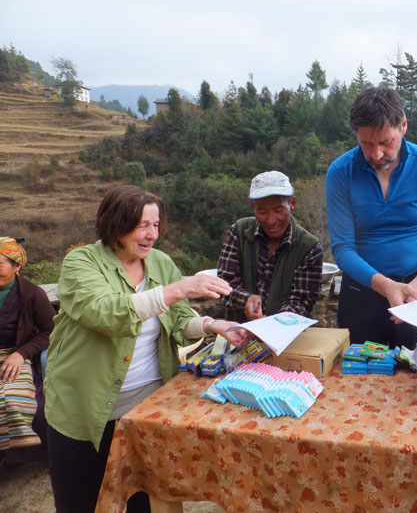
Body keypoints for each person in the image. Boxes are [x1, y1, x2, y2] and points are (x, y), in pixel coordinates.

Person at [44, 185, 249, 513]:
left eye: (156, 225)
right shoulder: (81, 262)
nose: (152, 234)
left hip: (145, 413)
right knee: (81, 502)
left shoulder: (161, 264)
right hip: (82, 412)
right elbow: (105, 313)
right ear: (116, 223)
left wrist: (214, 326)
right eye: (142, 225)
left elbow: (179, 320)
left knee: (148, 503)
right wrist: (175, 290)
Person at [326, 86, 417, 349]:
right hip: (360, 295)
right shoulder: (341, 172)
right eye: (366, 143)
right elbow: (343, 247)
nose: (376, 155)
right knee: (360, 379)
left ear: (403, 126)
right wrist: (386, 286)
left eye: (386, 142)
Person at [218, 170, 323, 323]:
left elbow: (302, 299)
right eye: (262, 211)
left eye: (278, 210)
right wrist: (246, 300)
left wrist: (275, 324)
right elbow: (224, 282)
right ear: (253, 208)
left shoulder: (309, 247)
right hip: (240, 334)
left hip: (289, 336)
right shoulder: (239, 232)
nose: (271, 220)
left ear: (292, 204)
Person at [0, 237, 54, 460]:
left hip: (15, 353)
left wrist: (20, 354)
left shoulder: (32, 294)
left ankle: (18, 456)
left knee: (11, 398)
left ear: (17, 267)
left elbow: (50, 331)